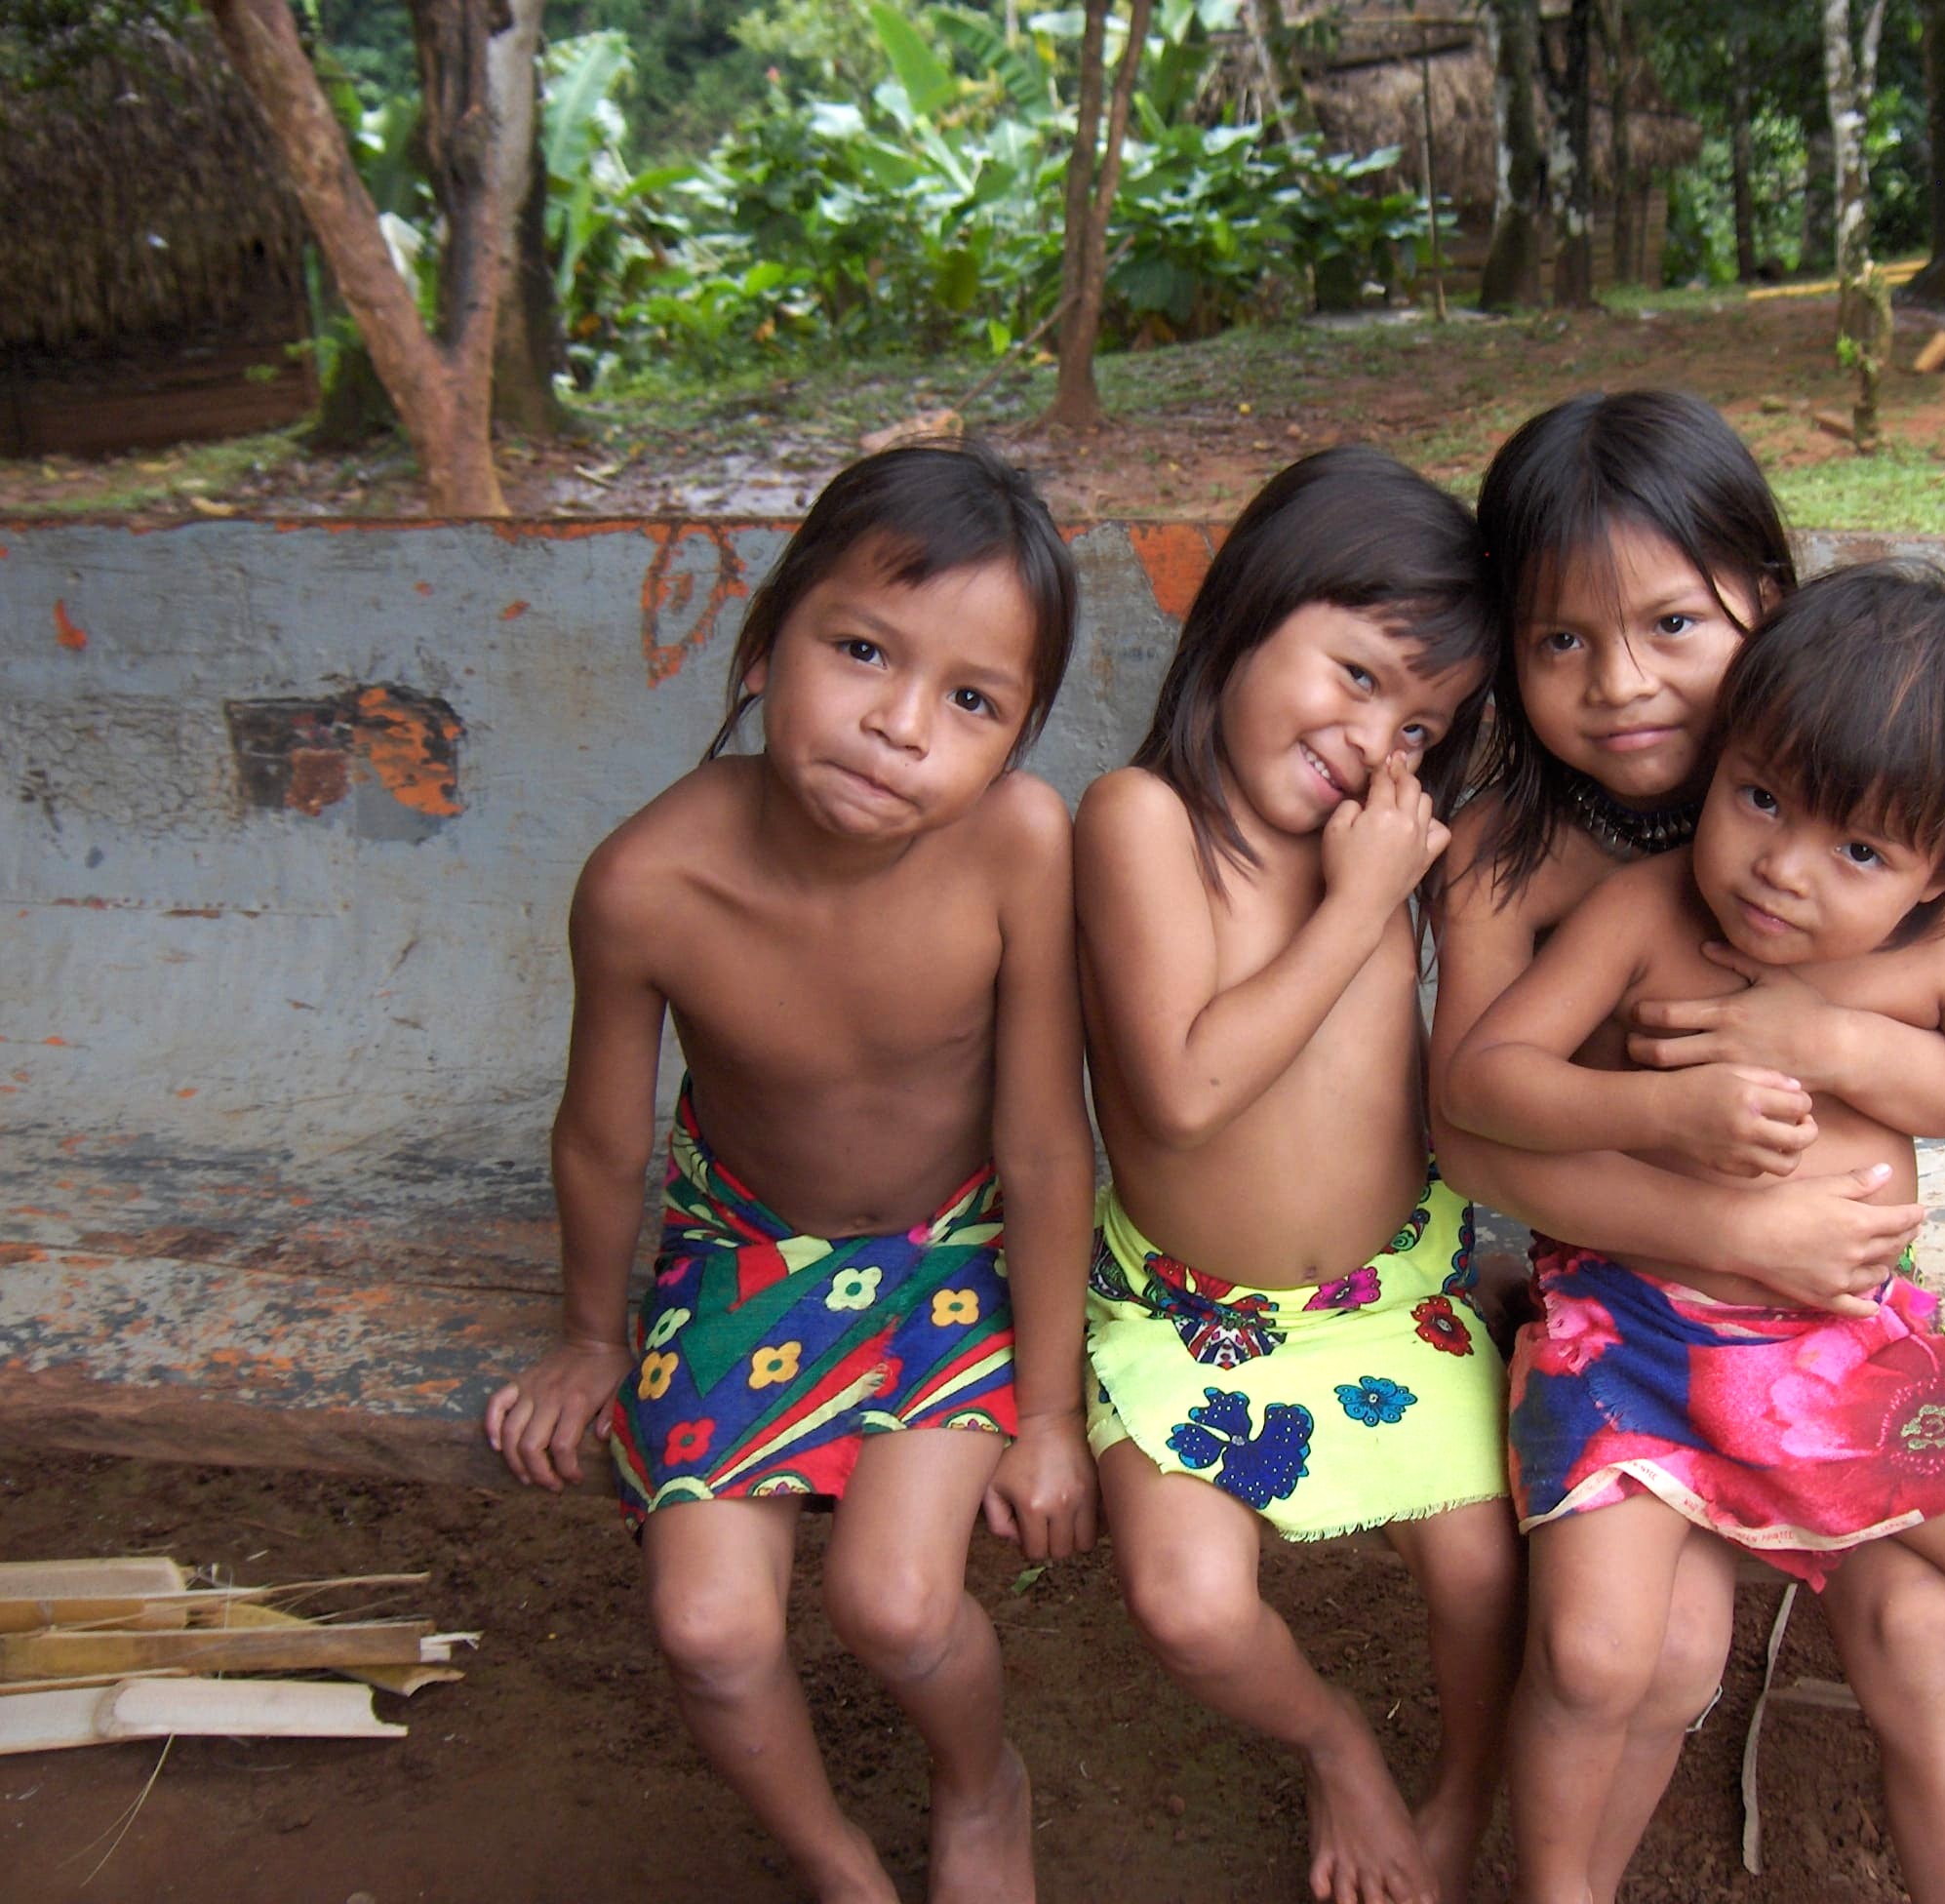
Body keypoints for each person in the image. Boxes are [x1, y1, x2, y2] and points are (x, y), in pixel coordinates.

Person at [1448, 558, 1945, 1904]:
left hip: (1840, 1344)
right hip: (1633, 1342)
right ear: (1722, 760)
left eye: (1860, 852)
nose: (1782, 869)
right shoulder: (1645, 913)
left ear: (1941, 877)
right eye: (1761, 800)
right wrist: (1662, 1112)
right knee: (1595, 1655)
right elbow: (1487, 1082)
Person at [484, 440, 1098, 1904]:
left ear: (1016, 741)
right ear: (766, 646)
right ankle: (838, 1867)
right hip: (744, 1250)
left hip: (959, 1249)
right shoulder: (647, 883)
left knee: (897, 1604)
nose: (901, 725)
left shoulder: (1019, 845)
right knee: (708, 1630)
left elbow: (1042, 1145)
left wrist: (1051, 1416)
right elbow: (602, 1139)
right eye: (863, 651)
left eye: (971, 701)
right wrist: (591, 1336)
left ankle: (982, 1788)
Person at [1074, 447, 1521, 1904]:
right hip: (1186, 1315)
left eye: (1421, 723)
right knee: (1190, 1608)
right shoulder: (1143, 820)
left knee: (1482, 1575)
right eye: (1358, 674)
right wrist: (1362, 899)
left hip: (1398, 1295)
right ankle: (1333, 1740)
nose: (1377, 740)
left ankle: (1464, 1792)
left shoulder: (1381, 845)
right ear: (1248, 609)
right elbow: (1185, 1092)